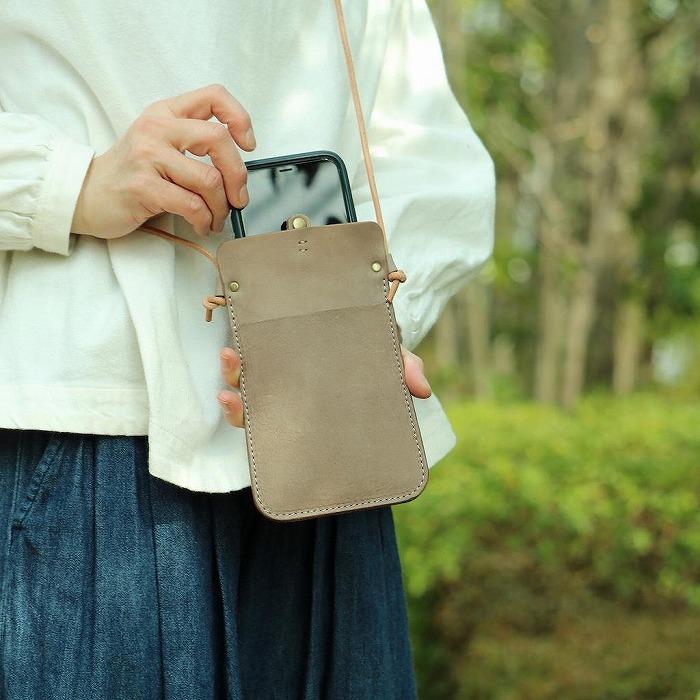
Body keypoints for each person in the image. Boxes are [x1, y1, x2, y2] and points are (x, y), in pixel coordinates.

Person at [0, 0, 495, 698]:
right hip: (92, 418)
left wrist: (369, 313)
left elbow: (423, 146)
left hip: (327, 435)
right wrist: (69, 182)